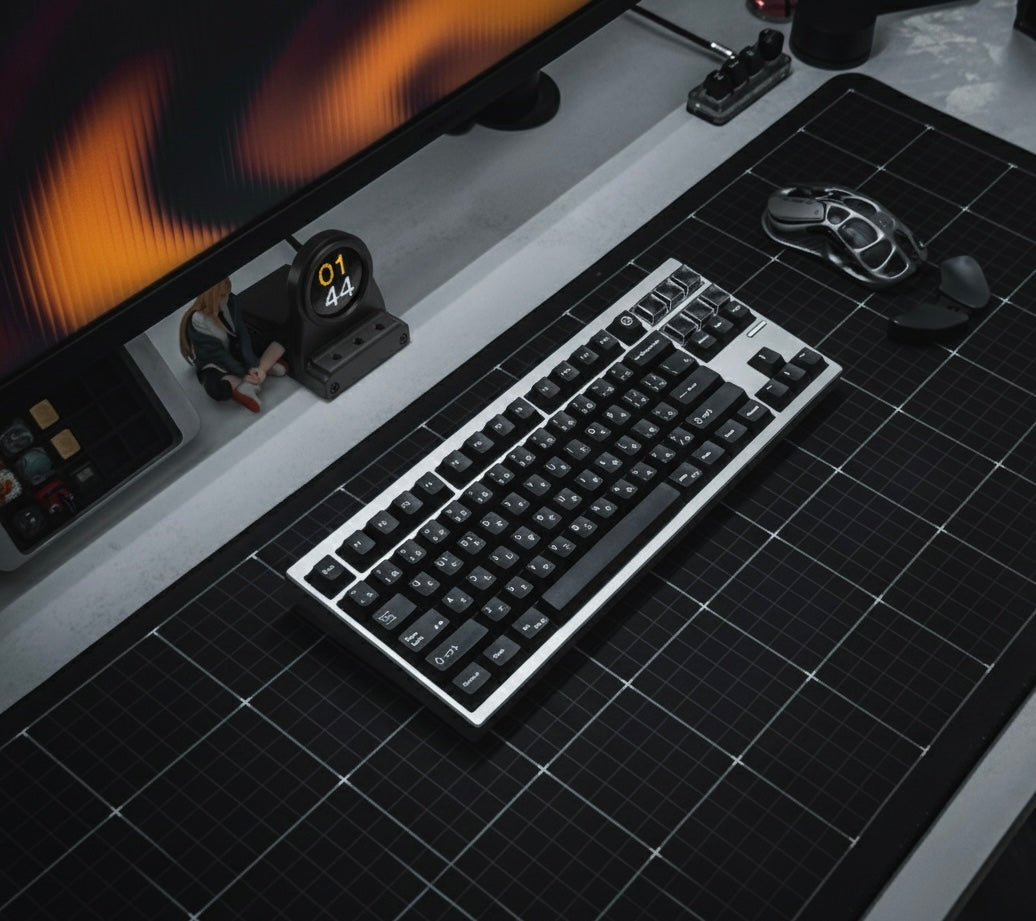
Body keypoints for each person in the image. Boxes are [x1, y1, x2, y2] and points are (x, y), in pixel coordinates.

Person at [178, 278, 286, 412]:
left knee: (279, 334)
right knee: (215, 387)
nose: (226, 296)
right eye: (222, 295)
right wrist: (243, 373)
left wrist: (252, 364)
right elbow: (218, 354)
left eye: (228, 291)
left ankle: (262, 368)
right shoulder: (198, 320)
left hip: (236, 349)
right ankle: (243, 385)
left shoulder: (231, 301)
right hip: (216, 361)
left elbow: (242, 333)